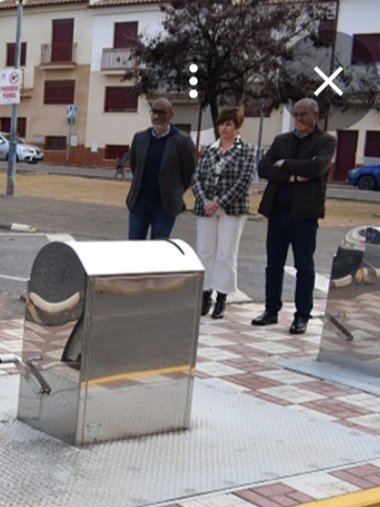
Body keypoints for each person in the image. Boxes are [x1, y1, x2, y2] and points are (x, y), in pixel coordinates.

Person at [252, 98, 336, 335]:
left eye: (303, 114)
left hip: (304, 213)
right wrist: (292, 176)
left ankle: (301, 316)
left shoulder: (325, 142)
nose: (298, 119)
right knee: (273, 264)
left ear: (315, 116)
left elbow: (316, 168)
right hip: (278, 211)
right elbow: (263, 168)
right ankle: (271, 310)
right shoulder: (282, 140)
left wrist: (285, 163)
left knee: (304, 267)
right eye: (296, 115)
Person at [192, 107, 255, 319]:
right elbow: (196, 177)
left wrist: (220, 202)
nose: (224, 128)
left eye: (228, 124)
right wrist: (205, 201)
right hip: (206, 207)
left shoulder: (246, 150)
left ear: (237, 127)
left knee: (226, 253)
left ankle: (221, 296)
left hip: (232, 208)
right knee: (205, 251)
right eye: (221, 124)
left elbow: (244, 181)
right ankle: (205, 294)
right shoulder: (209, 149)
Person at [126, 98, 197, 240]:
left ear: (171, 115)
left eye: (161, 112)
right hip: (139, 204)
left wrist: (174, 191)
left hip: (165, 206)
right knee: (134, 245)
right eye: (153, 111)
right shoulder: (140, 138)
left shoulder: (182, 141)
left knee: (159, 246)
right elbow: (134, 166)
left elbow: (188, 173)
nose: (156, 116)